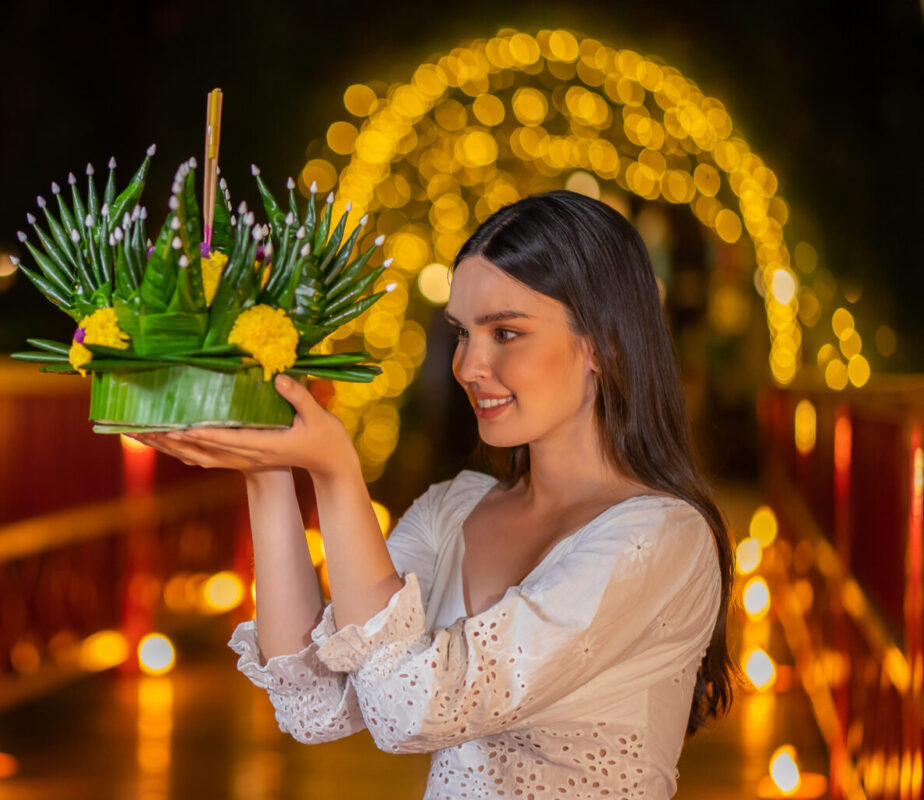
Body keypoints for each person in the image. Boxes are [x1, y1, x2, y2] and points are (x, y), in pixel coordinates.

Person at [129, 190, 735, 799]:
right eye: (462, 334)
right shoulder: (454, 510)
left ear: (601, 343)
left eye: (505, 333)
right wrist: (266, 469)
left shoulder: (660, 540)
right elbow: (314, 700)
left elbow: (407, 708)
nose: (468, 365)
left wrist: (339, 471)